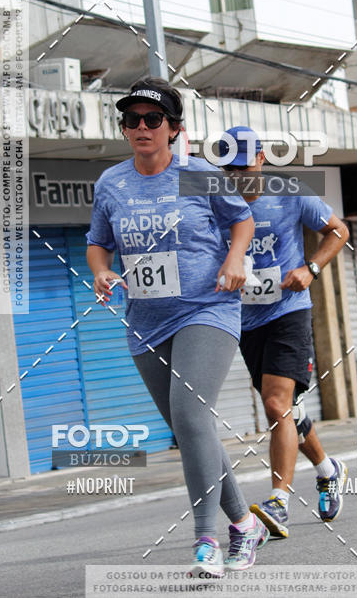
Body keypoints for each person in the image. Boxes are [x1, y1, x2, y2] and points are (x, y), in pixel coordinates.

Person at [86, 80, 268, 577]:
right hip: (145, 321)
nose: (142, 127)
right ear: (124, 128)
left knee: (190, 416)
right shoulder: (112, 184)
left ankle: (206, 541)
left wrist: (235, 260)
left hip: (206, 309)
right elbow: (98, 242)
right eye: (132, 119)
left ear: (174, 129)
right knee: (192, 429)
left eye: (153, 119)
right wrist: (101, 271)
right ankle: (245, 526)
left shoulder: (198, 174)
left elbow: (243, 221)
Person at [217, 125, 350, 538]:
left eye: (245, 165)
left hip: (289, 311)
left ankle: (279, 500)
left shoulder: (290, 191)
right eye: (230, 168)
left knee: (276, 407)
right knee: (287, 411)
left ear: (261, 158)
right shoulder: (217, 202)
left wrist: (310, 268)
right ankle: (329, 470)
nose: (238, 175)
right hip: (246, 320)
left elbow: (339, 230)